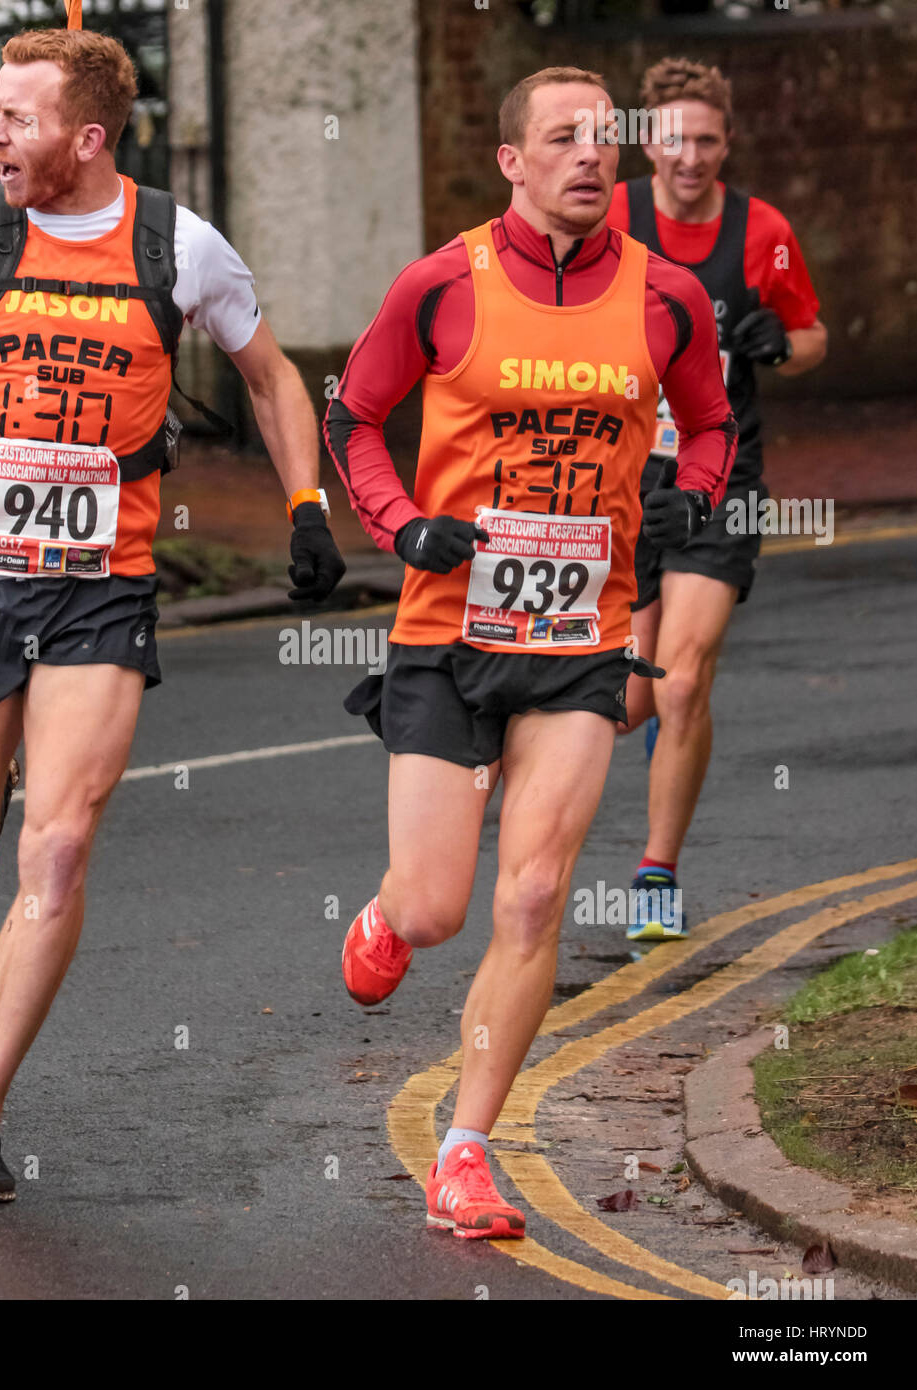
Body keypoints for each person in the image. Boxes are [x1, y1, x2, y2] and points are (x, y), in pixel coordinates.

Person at [0, 26, 344, 1203]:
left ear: (85, 139)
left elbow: (271, 374)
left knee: (63, 841)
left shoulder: (176, 246)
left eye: (16, 118)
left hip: (101, 587)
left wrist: (307, 505)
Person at [325, 68, 735, 1238]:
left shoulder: (666, 299)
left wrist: (690, 500)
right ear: (510, 160)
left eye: (602, 139)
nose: (589, 156)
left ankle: (465, 1149)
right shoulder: (442, 283)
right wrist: (402, 526)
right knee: (441, 905)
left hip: (577, 636)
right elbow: (351, 413)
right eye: (561, 138)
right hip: (447, 632)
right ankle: (390, 916)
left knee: (537, 890)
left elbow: (708, 422)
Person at [606, 57, 826, 940]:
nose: (687, 156)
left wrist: (780, 341)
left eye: (704, 139)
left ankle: (655, 874)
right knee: (624, 699)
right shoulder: (610, 214)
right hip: (617, 478)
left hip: (717, 475)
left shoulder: (760, 229)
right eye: (672, 138)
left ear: (725, 144)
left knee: (683, 677)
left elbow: (810, 336)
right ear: (646, 140)